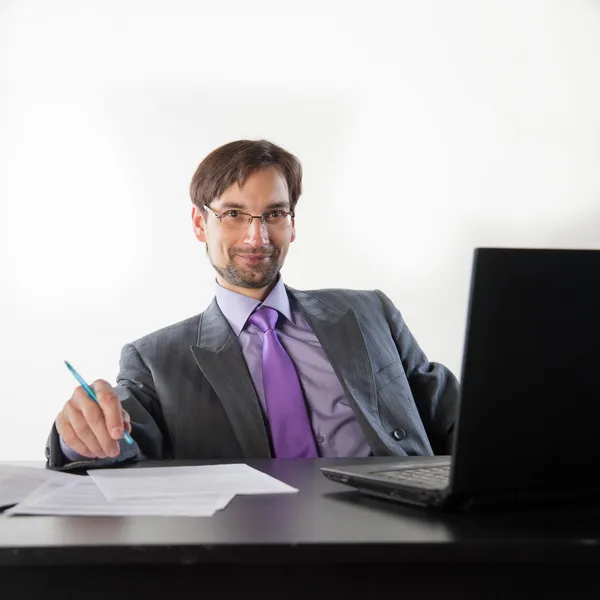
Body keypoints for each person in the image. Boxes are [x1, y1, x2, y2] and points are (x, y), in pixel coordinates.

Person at [46, 139, 460, 471]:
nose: (256, 238)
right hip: (253, 550)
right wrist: (84, 434)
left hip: (401, 533)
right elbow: (121, 443)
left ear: (292, 224)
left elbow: (453, 416)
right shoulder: (156, 359)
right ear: (198, 223)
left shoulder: (369, 312)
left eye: (274, 214)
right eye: (234, 214)